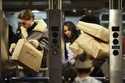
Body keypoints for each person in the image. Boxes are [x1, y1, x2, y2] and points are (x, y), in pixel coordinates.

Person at [9, 9, 48, 77]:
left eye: (24, 23)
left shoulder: (43, 30)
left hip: (39, 68)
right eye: (21, 23)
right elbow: (17, 41)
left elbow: (48, 47)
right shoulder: (21, 29)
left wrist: (38, 45)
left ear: (32, 19)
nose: (22, 25)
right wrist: (14, 45)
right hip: (23, 67)